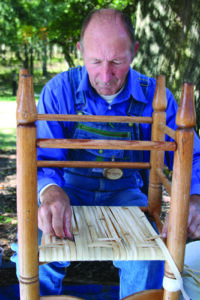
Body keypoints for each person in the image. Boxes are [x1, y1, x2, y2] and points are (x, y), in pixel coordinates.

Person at [14, 8, 200, 299]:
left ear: (135, 52)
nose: (105, 75)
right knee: (39, 244)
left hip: (125, 194)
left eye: (117, 61)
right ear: (80, 51)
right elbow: (43, 162)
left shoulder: (155, 96)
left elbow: (194, 156)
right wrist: (50, 191)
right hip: (70, 192)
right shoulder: (58, 91)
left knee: (148, 256)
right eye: (95, 61)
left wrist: (195, 196)